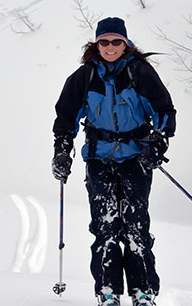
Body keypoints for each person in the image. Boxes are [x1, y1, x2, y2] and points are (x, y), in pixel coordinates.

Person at [51, 17, 176, 306]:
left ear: (125, 43)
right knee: (105, 226)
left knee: (135, 224)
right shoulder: (84, 77)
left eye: (116, 41)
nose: (110, 47)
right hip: (98, 159)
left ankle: (142, 292)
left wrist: (159, 140)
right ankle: (108, 291)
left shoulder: (140, 73)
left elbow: (164, 110)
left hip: (136, 158)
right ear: (96, 44)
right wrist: (62, 150)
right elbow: (65, 117)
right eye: (104, 42)